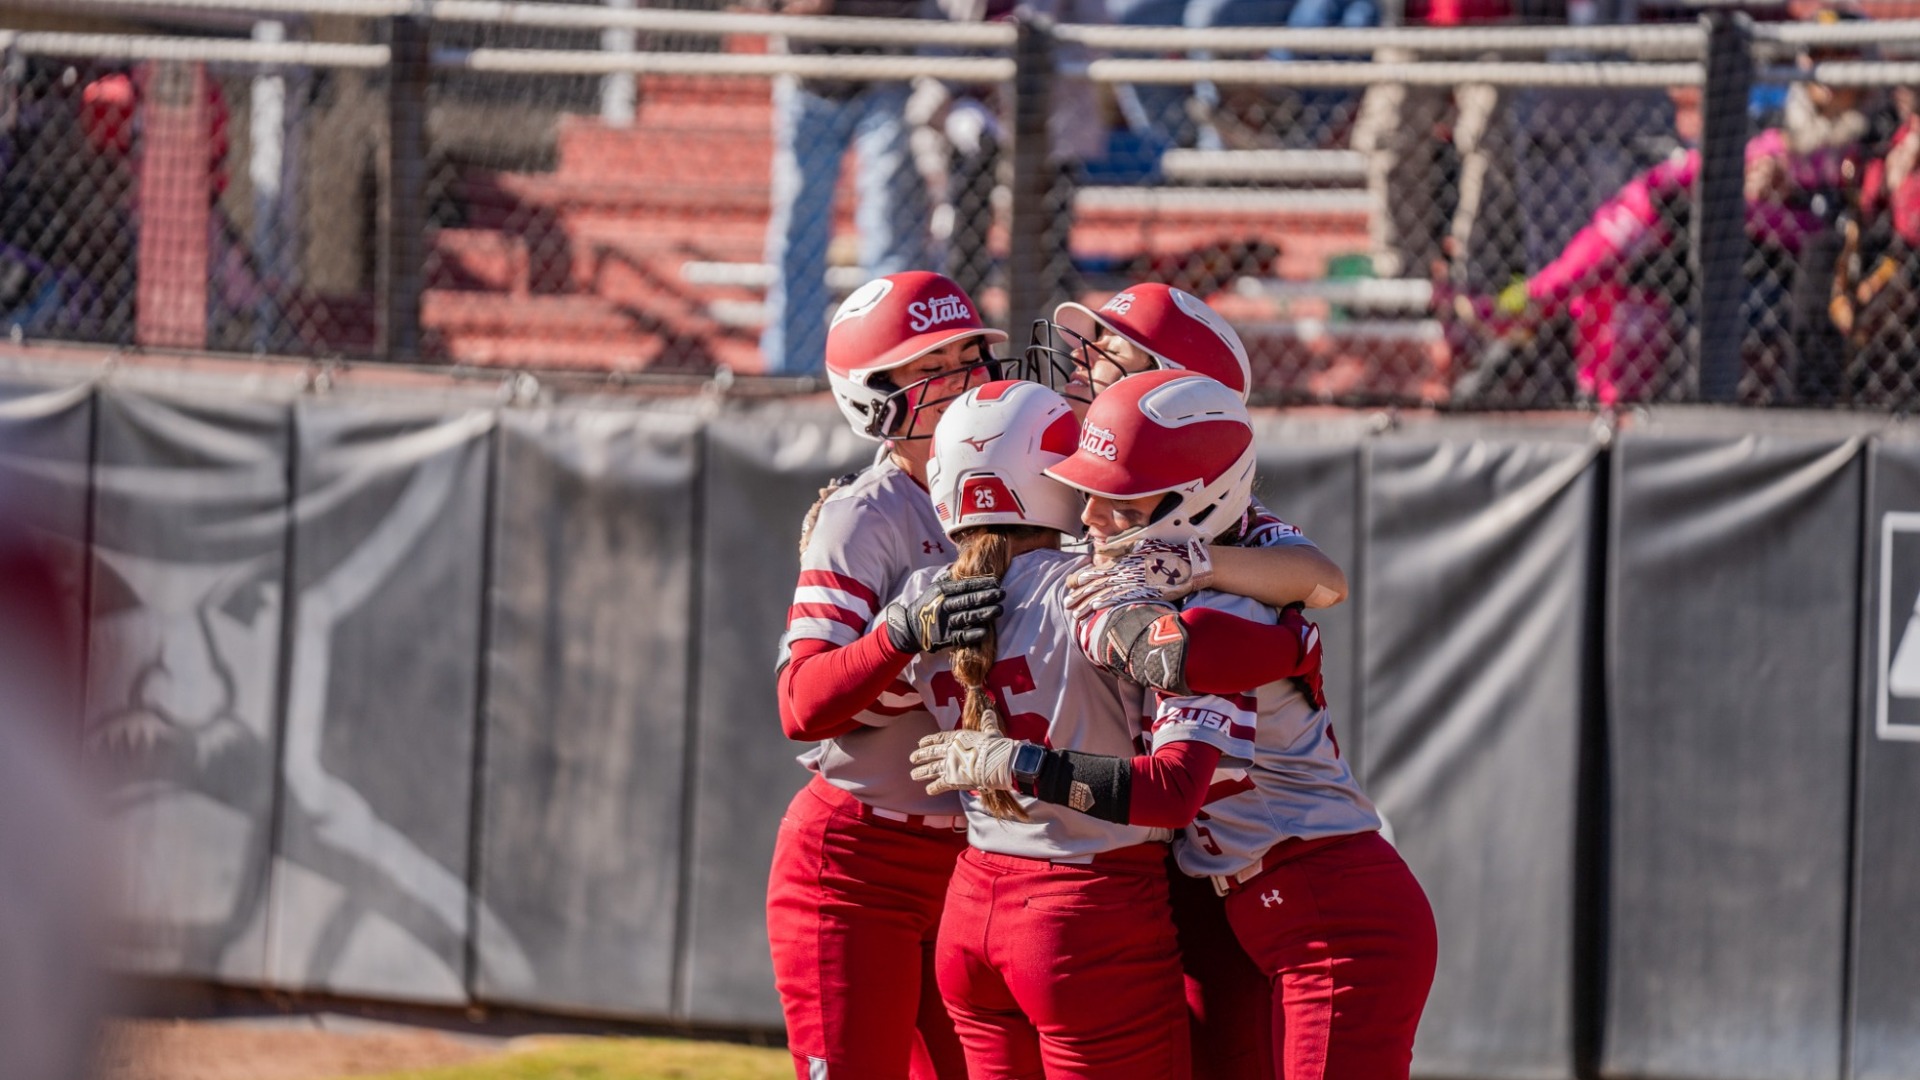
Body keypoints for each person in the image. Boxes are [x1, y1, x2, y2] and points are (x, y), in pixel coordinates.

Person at [915, 369, 1438, 1080]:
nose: (1091, 514)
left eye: (1121, 502)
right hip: (1260, 905)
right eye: (1089, 488)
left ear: (1198, 503)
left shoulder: (1228, 599)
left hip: (1332, 908)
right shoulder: (1167, 569)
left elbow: (1179, 753)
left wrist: (1017, 761)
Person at [891, 377, 1197, 1079]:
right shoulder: (1086, 588)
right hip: (1088, 909)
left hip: (972, 907)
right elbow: (1179, 668)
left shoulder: (917, 599)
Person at [768, 270, 1008, 1080]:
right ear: (874, 396)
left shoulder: (1018, 491)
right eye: (934, 362)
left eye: (973, 352)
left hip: (979, 860)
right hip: (857, 862)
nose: (969, 375)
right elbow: (801, 704)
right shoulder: (864, 516)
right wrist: (901, 634)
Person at [759, 0, 939, 374]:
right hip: (810, 72)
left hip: (887, 67)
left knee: (889, 230)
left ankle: (886, 362)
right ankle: (791, 370)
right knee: (799, 226)